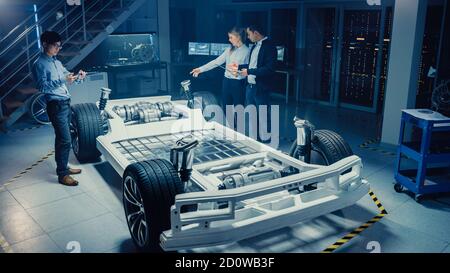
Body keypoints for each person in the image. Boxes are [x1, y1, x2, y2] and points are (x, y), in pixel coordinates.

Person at [32, 31, 87, 186]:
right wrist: (63, 79)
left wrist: (78, 77)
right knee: (65, 139)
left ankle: (64, 167)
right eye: (55, 45)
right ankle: (62, 174)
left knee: (63, 139)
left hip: (65, 104)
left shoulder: (57, 63)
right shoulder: (39, 64)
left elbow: (67, 79)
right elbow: (42, 87)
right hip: (55, 106)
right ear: (44, 44)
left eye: (59, 46)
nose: (58, 48)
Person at [190, 27, 249, 129]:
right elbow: (216, 62)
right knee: (226, 107)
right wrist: (200, 69)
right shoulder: (229, 50)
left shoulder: (247, 51)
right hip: (227, 82)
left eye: (231, 37)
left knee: (239, 107)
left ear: (238, 37)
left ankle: (239, 131)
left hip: (238, 83)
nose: (229, 40)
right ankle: (231, 128)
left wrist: (240, 71)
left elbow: (249, 69)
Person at [231, 24, 277, 142]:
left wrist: (249, 71)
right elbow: (252, 65)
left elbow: (269, 69)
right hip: (250, 88)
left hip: (261, 88)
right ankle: (255, 140)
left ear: (256, 33)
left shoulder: (270, 47)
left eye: (249, 34)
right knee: (252, 115)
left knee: (263, 116)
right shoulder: (254, 46)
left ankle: (266, 142)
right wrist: (240, 67)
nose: (248, 36)